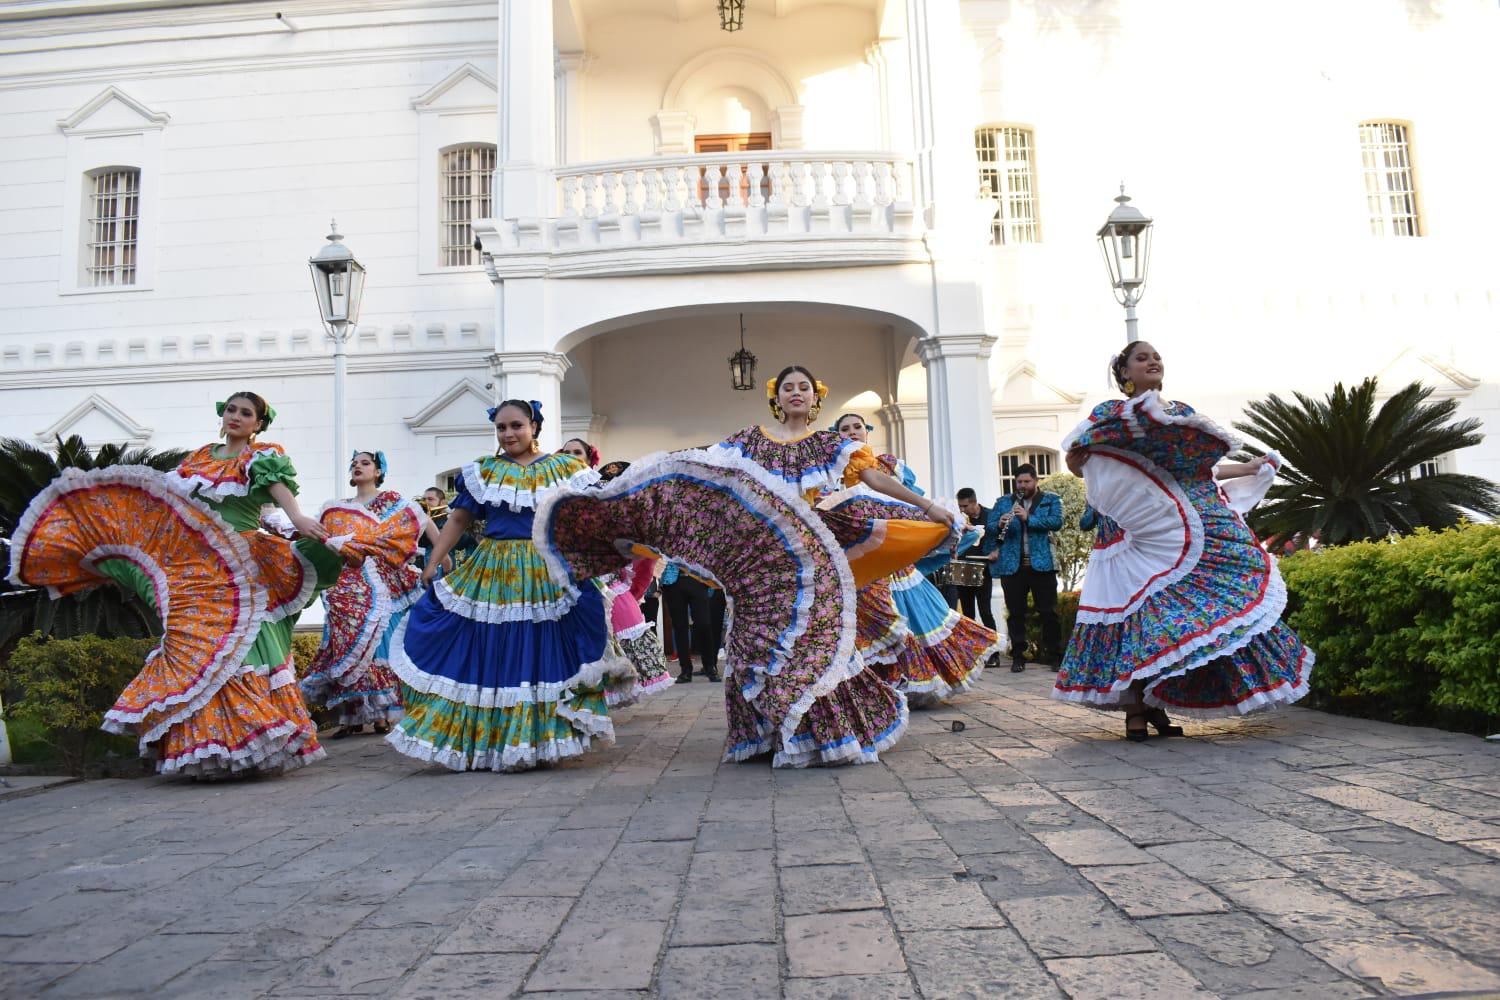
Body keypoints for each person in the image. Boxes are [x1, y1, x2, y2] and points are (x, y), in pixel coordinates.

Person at [536, 365, 957, 767]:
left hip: (810, 565)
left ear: (814, 398)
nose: (796, 392)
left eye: (804, 388)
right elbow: (704, 467)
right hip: (758, 570)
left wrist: (927, 505)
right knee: (751, 646)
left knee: (812, 645)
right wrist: (648, 482)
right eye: (788, 387)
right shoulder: (749, 442)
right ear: (777, 396)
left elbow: (875, 479)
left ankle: (817, 733)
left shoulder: (832, 447)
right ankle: (768, 733)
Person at [9, 391, 349, 777]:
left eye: (247, 413)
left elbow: (278, 491)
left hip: (241, 568)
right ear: (223, 417)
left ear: (258, 424)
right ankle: (206, 749)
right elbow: (167, 507)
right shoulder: (200, 458)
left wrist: (298, 518)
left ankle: (252, 743)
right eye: (233, 410)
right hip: (196, 570)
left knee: (241, 648)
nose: (236, 417)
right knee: (188, 645)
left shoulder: (261, 456)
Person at [1056, 340, 1314, 740]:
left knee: (1172, 619)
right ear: (1124, 373)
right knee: (1135, 618)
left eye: (1156, 356)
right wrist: (1083, 456)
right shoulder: (1109, 415)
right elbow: (1080, 464)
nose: (1152, 361)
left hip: (1183, 532)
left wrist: (1249, 466)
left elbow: (1201, 472)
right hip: (1131, 535)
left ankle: (1154, 705)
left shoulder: (1183, 416)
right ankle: (1135, 710)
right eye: (1142, 358)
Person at [386, 399, 632, 772]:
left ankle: (538, 738)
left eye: (516, 425)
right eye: (501, 428)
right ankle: (496, 741)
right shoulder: (484, 472)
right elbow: (458, 520)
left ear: (534, 426)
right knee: (493, 650)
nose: (508, 434)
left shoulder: (564, 468)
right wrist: (433, 562)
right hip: (494, 570)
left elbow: (593, 515)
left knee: (541, 649)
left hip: (546, 568)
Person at [301, 451, 447, 738]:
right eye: (354, 464)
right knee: (346, 645)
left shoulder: (391, 503)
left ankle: (380, 713)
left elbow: (421, 520)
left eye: (365, 463)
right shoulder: (338, 508)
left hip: (383, 583)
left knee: (377, 644)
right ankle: (351, 715)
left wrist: (440, 558)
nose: (357, 467)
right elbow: (319, 536)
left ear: (378, 472)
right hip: (346, 585)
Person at [987, 464, 1064, 673]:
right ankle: (1018, 656)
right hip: (1013, 566)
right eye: (1019, 482)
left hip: (1042, 564)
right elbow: (990, 525)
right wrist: (1000, 523)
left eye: (1026, 482)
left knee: (1049, 612)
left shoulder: (1051, 499)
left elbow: (1057, 521)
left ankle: (1055, 655)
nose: (1022, 485)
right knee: (1015, 613)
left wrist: (1029, 518)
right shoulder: (1003, 502)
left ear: (1036, 481)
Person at [660, 560, 721, 683]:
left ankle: (710, 666)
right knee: (679, 626)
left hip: (697, 579)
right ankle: (685, 670)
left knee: (704, 623)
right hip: (674, 581)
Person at [955, 488, 998, 631]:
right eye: (960, 506)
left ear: (974, 502)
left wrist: (997, 551)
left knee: (985, 611)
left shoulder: (991, 515)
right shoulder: (958, 519)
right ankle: (971, 651)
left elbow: (1000, 539)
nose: (962, 509)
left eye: (965, 506)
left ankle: (995, 650)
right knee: (967, 615)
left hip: (983, 569)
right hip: (962, 568)